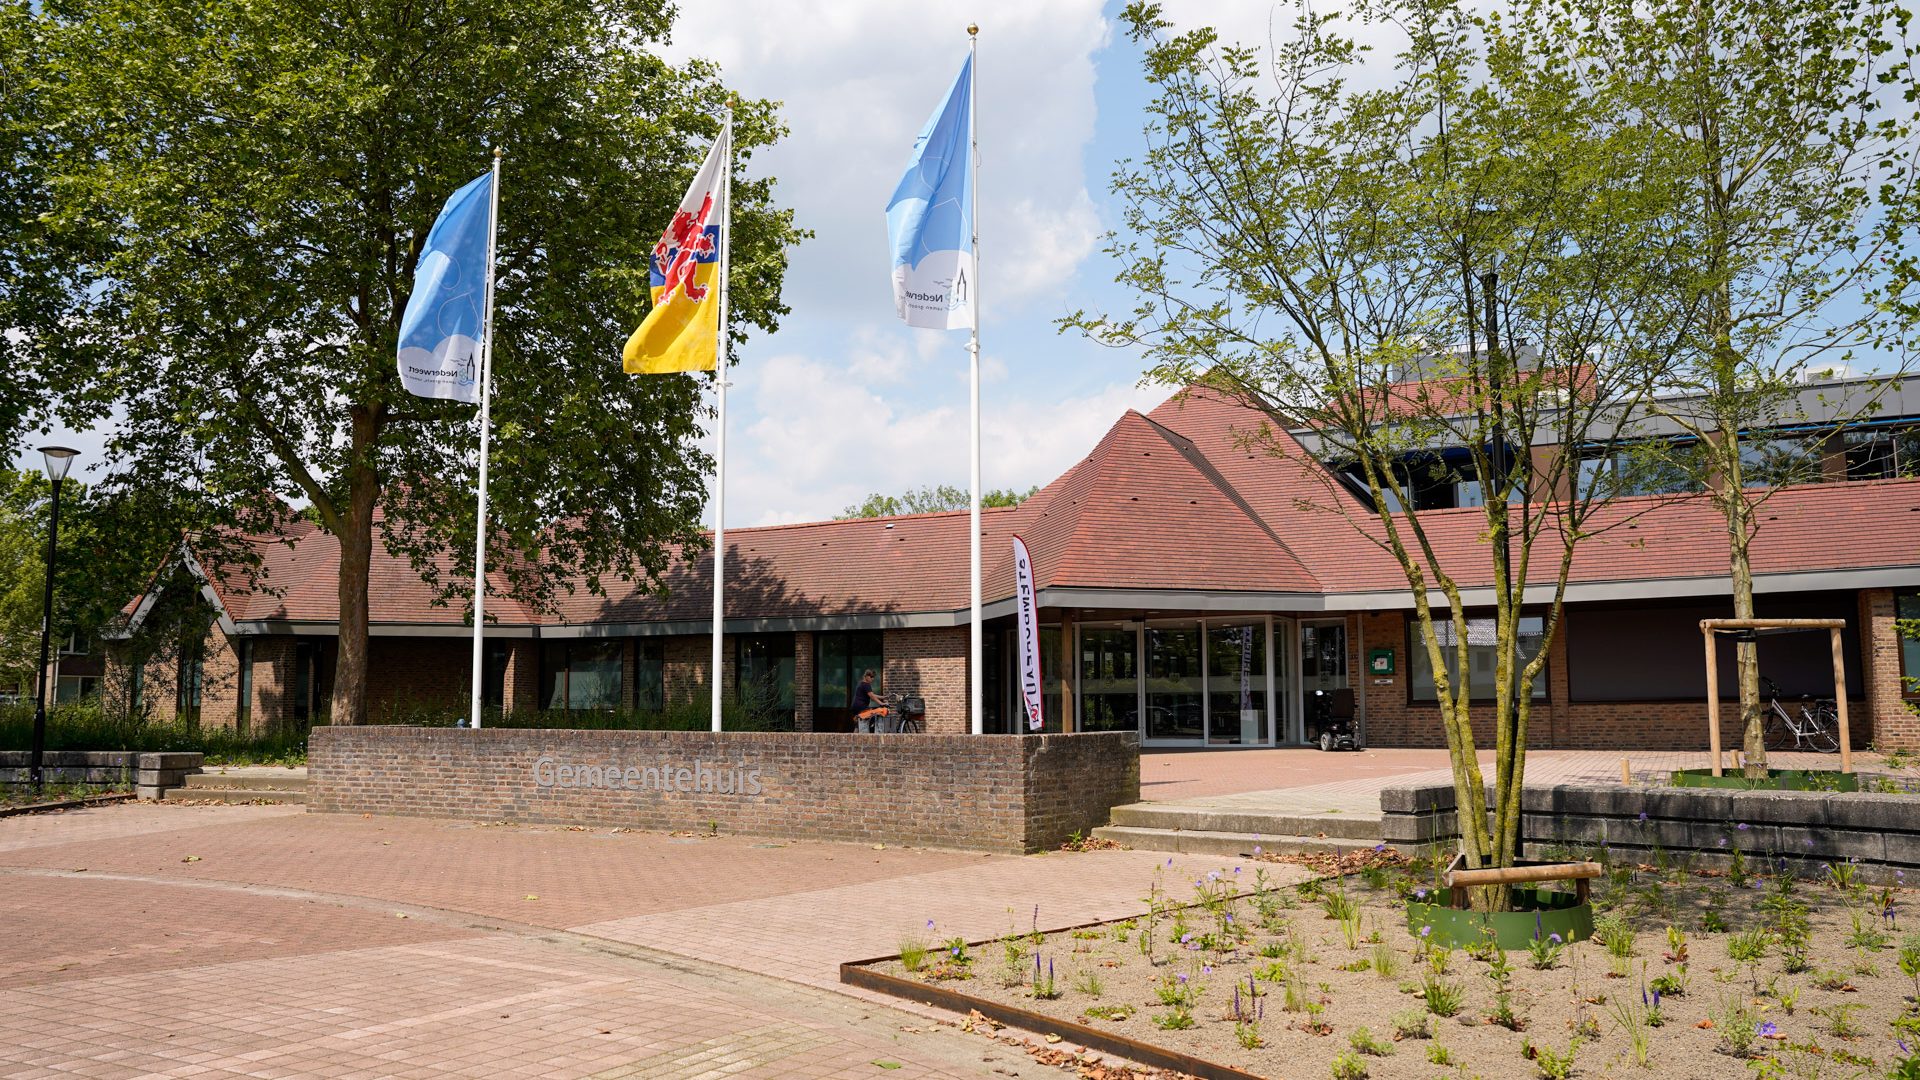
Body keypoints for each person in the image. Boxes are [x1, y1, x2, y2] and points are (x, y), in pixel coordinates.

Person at [852, 668, 892, 732]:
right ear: (866, 676)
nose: (872, 679)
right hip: (861, 706)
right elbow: (872, 696)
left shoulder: (862, 683)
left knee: (858, 725)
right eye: (871, 677)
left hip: (856, 706)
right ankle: (870, 731)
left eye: (873, 677)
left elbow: (872, 695)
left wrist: (883, 697)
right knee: (873, 716)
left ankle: (854, 737)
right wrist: (881, 703)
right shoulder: (866, 684)